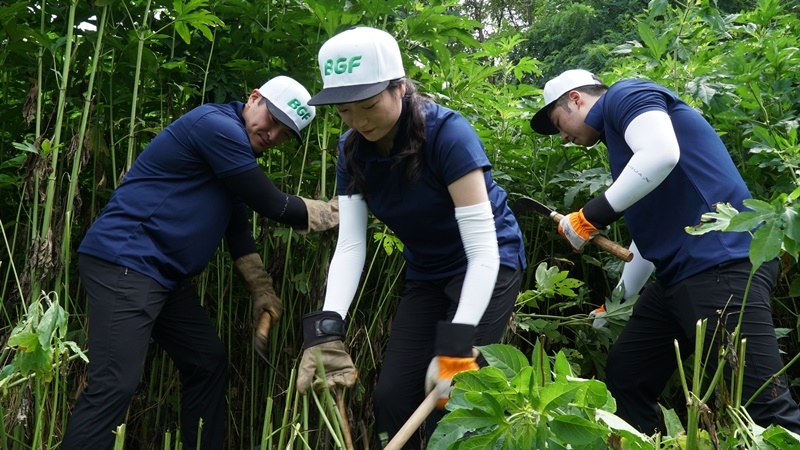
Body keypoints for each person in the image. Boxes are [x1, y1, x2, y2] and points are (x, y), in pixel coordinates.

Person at [61, 75, 339, 449]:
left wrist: (261, 288)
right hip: (125, 262)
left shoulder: (235, 156)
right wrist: (340, 212)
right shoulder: (217, 127)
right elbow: (273, 204)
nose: (272, 134)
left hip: (161, 276)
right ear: (253, 98)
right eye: (271, 119)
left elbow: (238, 231)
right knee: (115, 383)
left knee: (207, 362)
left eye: (285, 132)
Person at [529, 69, 800, 434]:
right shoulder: (626, 145)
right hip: (681, 275)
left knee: (764, 408)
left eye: (559, 121)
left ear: (576, 98)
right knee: (628, 375)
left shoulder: (625, 95)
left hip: (721, 262)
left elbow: (661, 154)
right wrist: (615, 303)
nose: (562, 135)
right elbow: (648, 234)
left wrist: (587, 218)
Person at [294, 26, 527, 449]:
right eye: (345, 111)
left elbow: (482, 249)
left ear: (400, 88)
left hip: (488, 266)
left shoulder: (448, 136)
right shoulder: (351, 152)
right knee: (392, 398)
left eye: (367, 105)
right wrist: (327, 328)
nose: (359, 121)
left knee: (455, 403)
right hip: (426, 272)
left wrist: (456, 346)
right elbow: (350, 245)